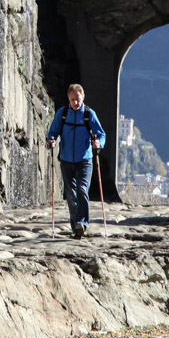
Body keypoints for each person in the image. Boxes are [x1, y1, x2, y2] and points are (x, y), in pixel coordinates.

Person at [46, 84, 106, 238]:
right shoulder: (63, 113)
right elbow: (53, 131)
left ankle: (82, 223)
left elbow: (101, 134)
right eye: (72, 100)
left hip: (85, 160)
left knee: (82, 190)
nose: (75, 103)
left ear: (83, 97)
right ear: (68, 99)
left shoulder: (89, 114)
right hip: (66, 160)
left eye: (78, 99)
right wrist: (51, 141)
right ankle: (76, 227)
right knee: (71, 194)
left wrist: (99, 143)